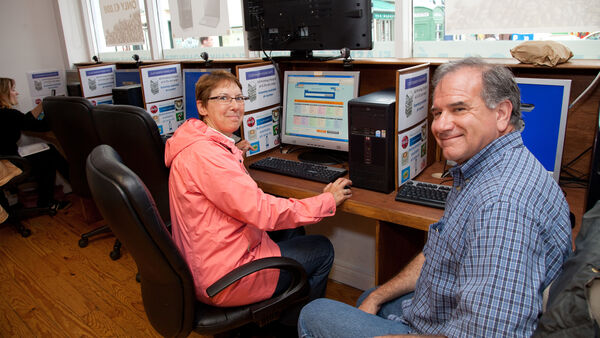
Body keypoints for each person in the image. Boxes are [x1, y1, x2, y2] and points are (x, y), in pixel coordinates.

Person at [298, 57, 573, 337]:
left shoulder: (502, 205)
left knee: (314, 313)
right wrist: (378, 297)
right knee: (367, 297)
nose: (441, 126)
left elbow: (486, 333)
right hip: (441, 310)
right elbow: (439, 253)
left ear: (502, 113)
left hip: (451, 329)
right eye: (437, 113)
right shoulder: (486, 166)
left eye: (459, 109)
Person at [164, 71, 352, 314]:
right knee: (321, 248)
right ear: (202, 107)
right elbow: (263, 212)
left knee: (293, 227)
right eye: (223, 98)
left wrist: (231, 150)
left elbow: (219, 184)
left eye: (239, 98)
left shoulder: (195, 141)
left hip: (207, 260)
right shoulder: (207, 156)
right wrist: (327, 200)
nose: (235, 106)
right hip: (225, 279)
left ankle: (280, 308)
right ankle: (300, 326)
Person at [0, 77, 70, 211]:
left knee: (47, 152)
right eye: (13, 90)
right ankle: (80, 190)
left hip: (3, 161)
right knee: (49, 154)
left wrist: (42, 105)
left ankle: (47, 200)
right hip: (8, 164)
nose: (17, 93)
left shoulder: (7, 115)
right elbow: (39, 126)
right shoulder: (8, 115)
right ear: (3, 93)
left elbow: (25, 120)